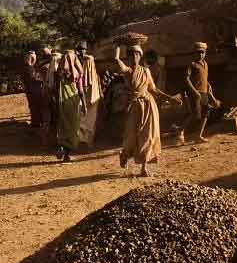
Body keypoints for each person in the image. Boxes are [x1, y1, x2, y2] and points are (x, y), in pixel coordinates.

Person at [114, 44, 180, 177]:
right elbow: (118, 62)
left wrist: (170, 98)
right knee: (131, 136)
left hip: (148, 105)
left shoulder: (146, 71)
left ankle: (144, 167)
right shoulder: (127, 71)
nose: (134, 57)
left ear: (140, 56)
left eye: (137, 54)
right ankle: (125, 155)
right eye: (131, 54)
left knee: (148, 136)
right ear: (128, 57)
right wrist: (117, 50)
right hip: (134, 106)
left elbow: (153, 89)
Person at [177, 42, 218, 145]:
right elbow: (186, 79)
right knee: (194, 115)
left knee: (206, 113)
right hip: (195, 93)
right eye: (198, 52)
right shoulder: (192, 64)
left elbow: (204, 78)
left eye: (202, 52)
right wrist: (194, 92)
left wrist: (208, 86)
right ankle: (180, 131)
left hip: (204, 92)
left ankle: (198, 136)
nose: (200, 54)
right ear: (194, 53)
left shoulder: (205, 64)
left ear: (205, 53)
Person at [54, 50, 86, 162]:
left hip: (61, 102)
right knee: (73, 128)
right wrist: (85, 105)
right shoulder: (78, 73)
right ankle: (67, 155)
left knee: (63, 126)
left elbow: (54, 89)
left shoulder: (58, 73)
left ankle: (61, 147)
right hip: (73, 102)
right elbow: (81, 91)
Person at [76, 41, 102, 149]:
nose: (82, 52)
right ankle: (80, 141)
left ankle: (89, 142)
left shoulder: (89, 61)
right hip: (81, 94)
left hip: (92, 95)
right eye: (80, 50)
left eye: (84, 49)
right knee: (80, 118)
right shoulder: (77, 63)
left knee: (90, 118)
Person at [22, 51, 46, 129]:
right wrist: (43, 79)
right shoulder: (29, 68)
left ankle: (35, 122)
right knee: (35, 106)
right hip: (33, 91)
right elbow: (33, 79)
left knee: (33, 106)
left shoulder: (28, 67)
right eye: (33, 58)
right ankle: (36, 123)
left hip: (30, 90)